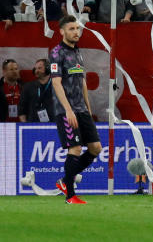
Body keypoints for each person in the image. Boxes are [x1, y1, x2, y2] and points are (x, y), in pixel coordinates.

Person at [50, 15, 103, 204]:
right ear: (62, 31)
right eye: (71, 29)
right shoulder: (57, 53)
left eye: (77, 29)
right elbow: (56, 82)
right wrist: (68, 110)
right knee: (75, 148)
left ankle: (65, 181)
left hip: (81, 109)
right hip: (66, 110)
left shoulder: (78, 53)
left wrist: (88, 109)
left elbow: (82, 82)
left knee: (96, 148)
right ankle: (70, 196)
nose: (76, 32)